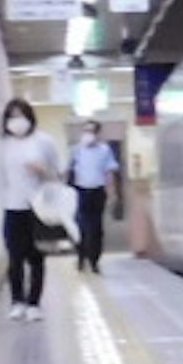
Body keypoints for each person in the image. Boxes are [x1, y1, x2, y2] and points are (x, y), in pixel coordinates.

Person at [0, 98, 63, 320]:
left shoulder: (43, 141)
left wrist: (43, 170)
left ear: (30, 118)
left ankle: (34, 303)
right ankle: (17, 301)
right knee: (14, 257)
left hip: (38, 208)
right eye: (12, 117)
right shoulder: (1, 146)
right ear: (6, 121)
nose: (17, 122)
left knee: (37, 257)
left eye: (22, 116)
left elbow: (58, 174)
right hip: (11, 207)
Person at [65, 118, 119, 276]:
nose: (89, 134)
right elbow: (69, 170)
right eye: (86, 131)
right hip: (80, 191)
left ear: (98, 134)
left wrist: (112, 192)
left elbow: (109, 171)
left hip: (97, 191)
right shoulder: (76, 150)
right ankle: (81, 257)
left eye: (93, 131)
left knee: (96, 228)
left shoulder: (104, 150)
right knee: (80, 226)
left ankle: (94, 260)